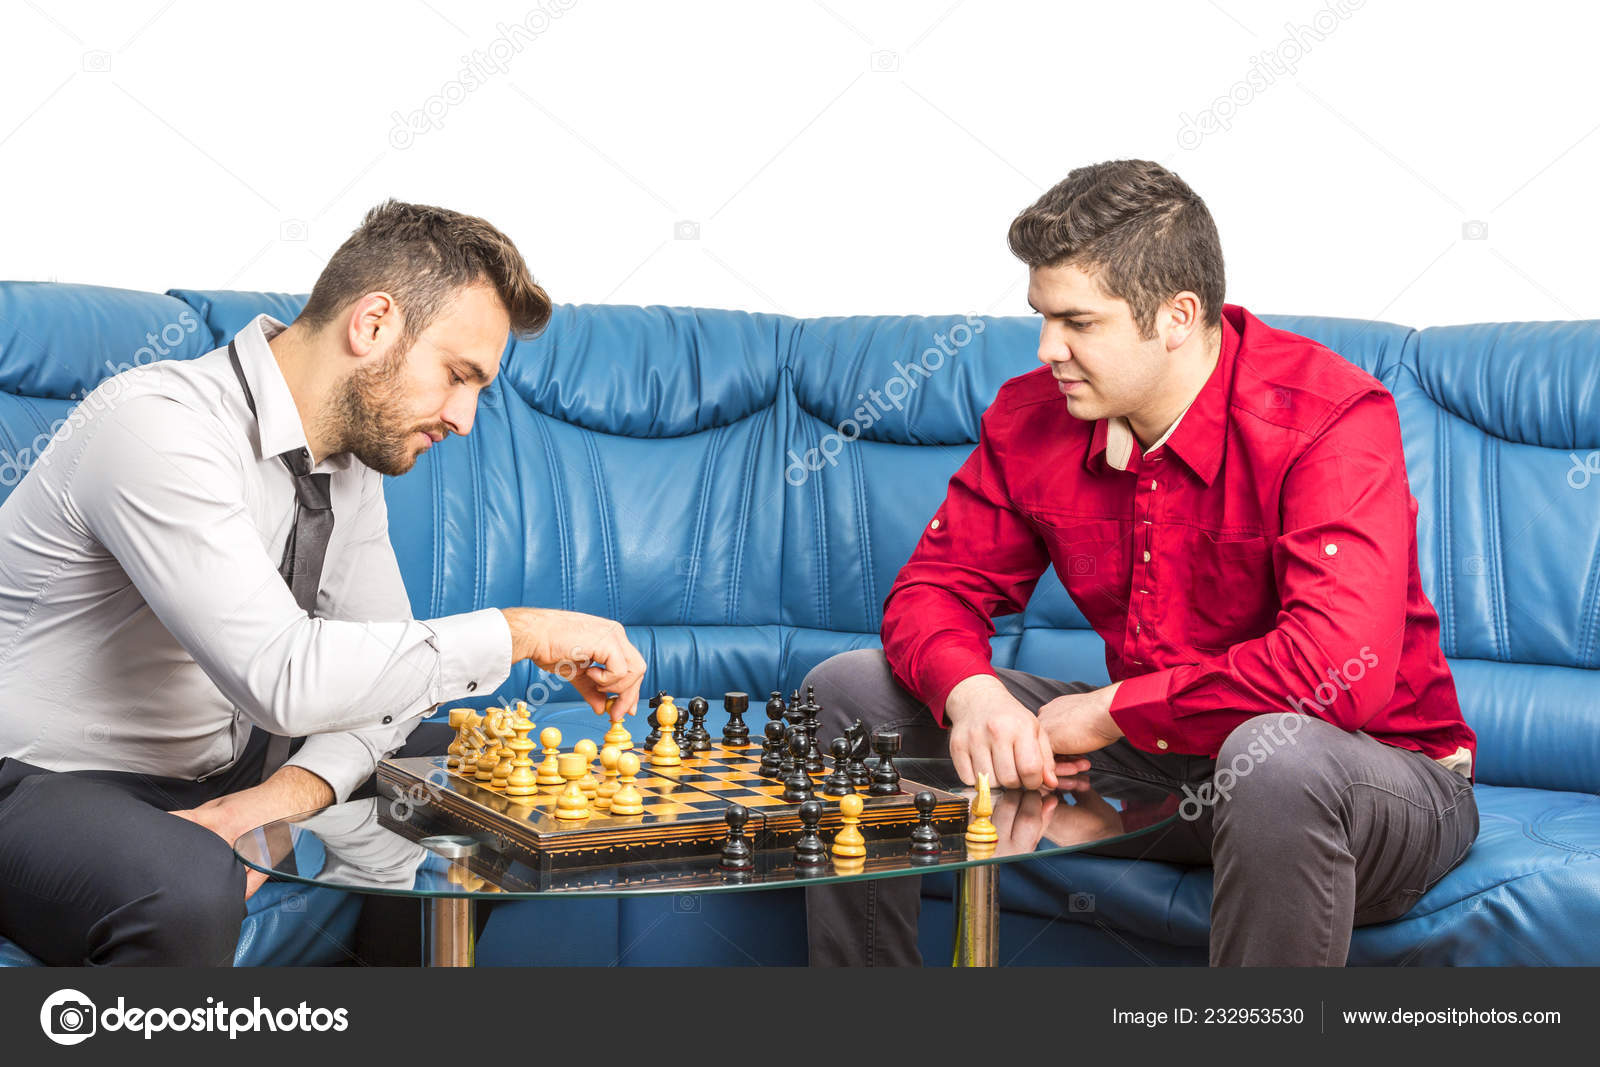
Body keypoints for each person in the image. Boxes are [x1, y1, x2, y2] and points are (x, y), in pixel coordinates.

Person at [804, 160, 1479, 967]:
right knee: (848, 691)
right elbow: (934, 590)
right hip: (1165, 768)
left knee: (1279, 757)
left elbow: (1338, 670)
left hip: (1367, 780)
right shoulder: (1035, 418)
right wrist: (973, 694)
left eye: (1078, 323)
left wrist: (1106, 711)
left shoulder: (1328, 420)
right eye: (1041, 316)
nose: (1048, 348)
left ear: (1177, 316)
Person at [0, 200, 647, 965]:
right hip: (46, 780)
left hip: (230, 764)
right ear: (372, 324)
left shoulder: (345, 461)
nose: (466, 417)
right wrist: (520, 631)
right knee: (185, 880)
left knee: (472, 778)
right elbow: (282, 676)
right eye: (457, 374)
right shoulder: (158, 426)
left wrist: (274, 803)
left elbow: (390, 695)